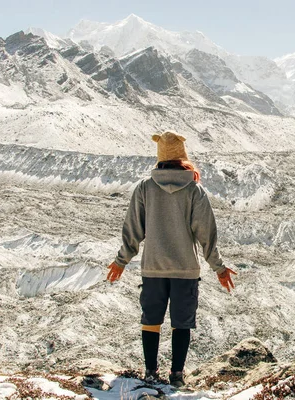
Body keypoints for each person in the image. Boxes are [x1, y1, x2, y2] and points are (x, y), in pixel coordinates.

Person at [105, 130, 236, 388]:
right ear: (182, 158)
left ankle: (151, 373)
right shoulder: (194, 190)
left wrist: (121, 261)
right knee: (181, 324)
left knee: (151, 320)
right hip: (185, 269)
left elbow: (133, 230)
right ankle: (177, 375)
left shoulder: (145, 188)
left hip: (153, 267)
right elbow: (206, 234)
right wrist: (218, 268)